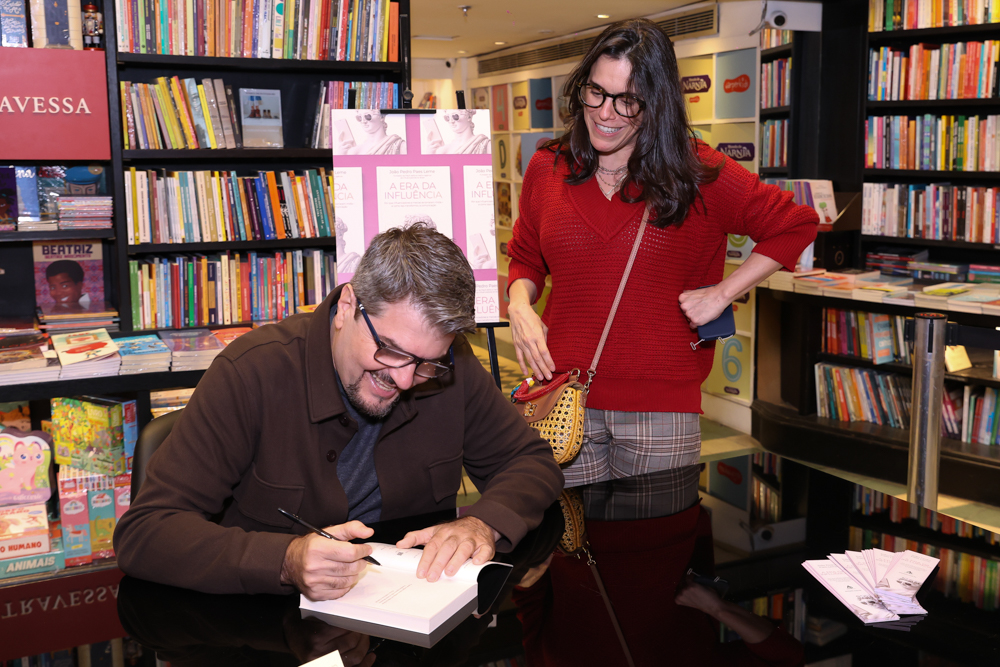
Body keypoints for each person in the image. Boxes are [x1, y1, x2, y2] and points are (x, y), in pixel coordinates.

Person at [114, 224, 564, 600]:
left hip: (414, 616)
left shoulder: (451, 366)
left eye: (426, 363)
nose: (405, 380)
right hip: (272, 634)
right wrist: (285, 560)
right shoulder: (252, 372)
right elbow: (146, 533)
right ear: (348, 306)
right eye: (389, 350)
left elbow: (530, 463)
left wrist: (483, 523)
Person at [506, 19, 819, 487]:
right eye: (596, 92)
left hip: (661, 409)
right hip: (560, 398)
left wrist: (722, 293)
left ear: (657, 105)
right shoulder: (546, 168)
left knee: (654, 549)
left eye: (628, 100)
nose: (606, 113)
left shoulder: (698, 172)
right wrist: (518, 305)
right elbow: (526, 255)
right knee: (568, 544)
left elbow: (795, 224)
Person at [338, 110, 406, 155]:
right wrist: (342, 156)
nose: (363, 121)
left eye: (368, 116)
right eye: (359, 117)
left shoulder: (399, 145)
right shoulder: (354, 151)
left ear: (381, 117)